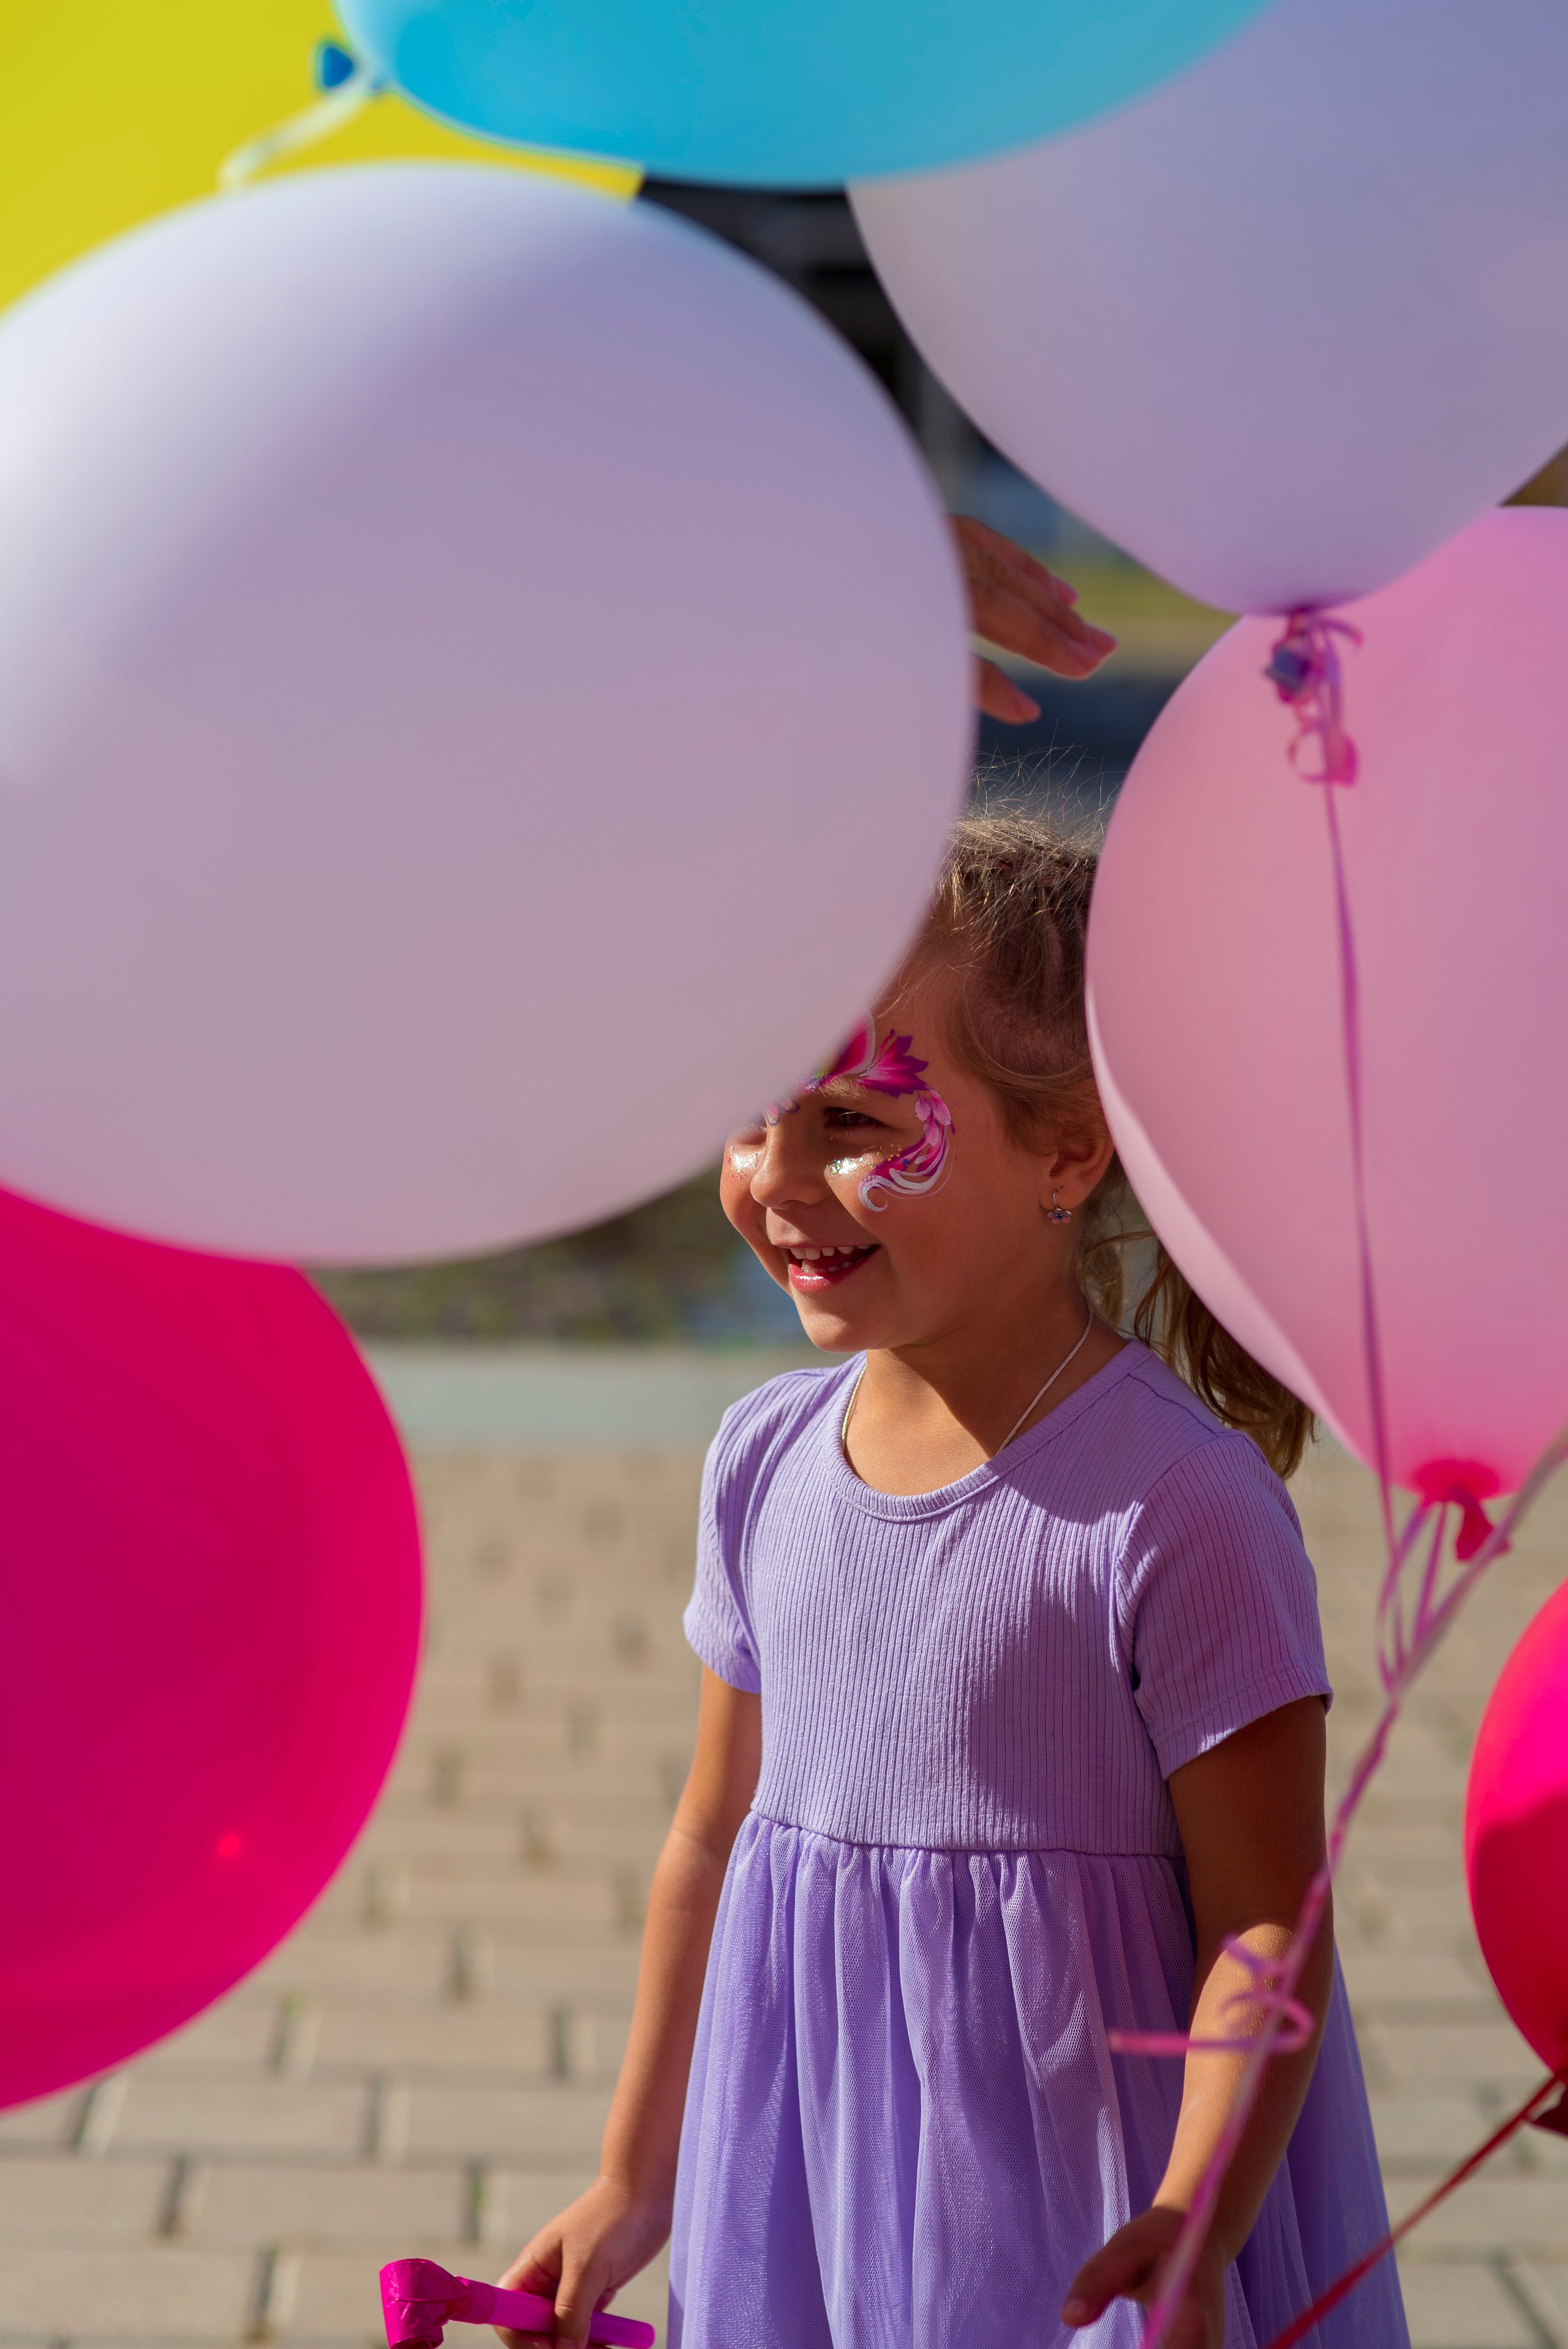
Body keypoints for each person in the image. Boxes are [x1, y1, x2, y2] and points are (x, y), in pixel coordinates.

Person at [496, 536, 1405, 2349]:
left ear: (1071, 1148)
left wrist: (1195, 2216)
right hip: (820, 2180)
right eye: (751, 1117)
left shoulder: (1177, 1510)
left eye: (854, 1117)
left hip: (1084, 2204)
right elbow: (710, 1840)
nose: (775, 1181)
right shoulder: (761, 1461)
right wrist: (633, 2175)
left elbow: (1265, 1937)